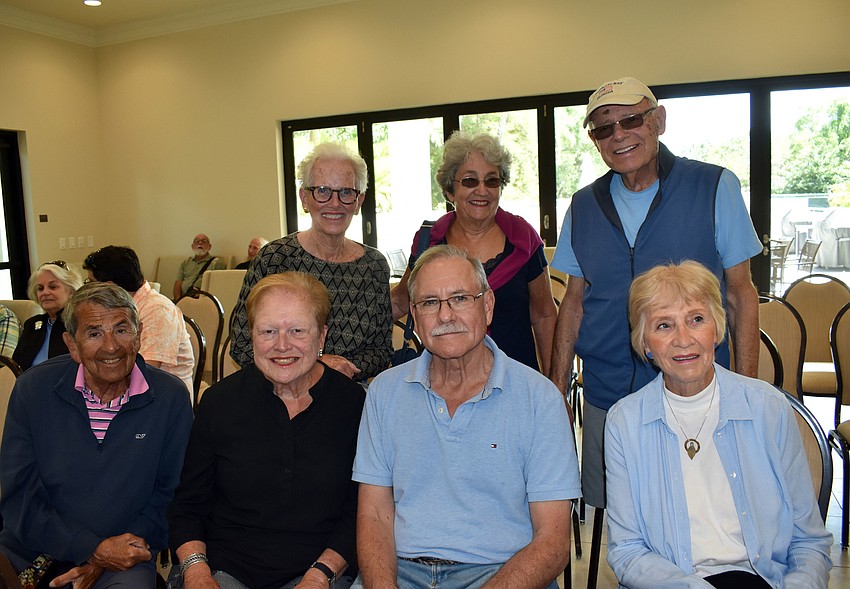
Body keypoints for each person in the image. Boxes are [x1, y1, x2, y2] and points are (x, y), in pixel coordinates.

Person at [549, 76, 762, 510]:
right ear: (595, 140)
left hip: (695, 393)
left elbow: (741, 294)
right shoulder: (583, 206)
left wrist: (744, 390)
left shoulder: (714, 187)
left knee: (698, 512)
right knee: (621, 514)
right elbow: (572, 303)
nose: (619, 135)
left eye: (630, 120)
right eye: (604, 128)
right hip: (607, 395)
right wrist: (557, 390)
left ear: (658, 121)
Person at [353, 245, 580, 589]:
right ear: (413, 313)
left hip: (503, 572)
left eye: (460, 298)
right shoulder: (384, 393)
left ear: (487, 305)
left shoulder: (539, 399)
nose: (445, 316)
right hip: (401, 572)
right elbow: (373, 517)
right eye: (430, 303)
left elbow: (553, 543)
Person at [605, 260, 832, 588]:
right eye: (664, 325)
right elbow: (627, 551)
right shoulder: (624, 424)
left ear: (717, 328)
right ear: (645, 344)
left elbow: (809, 543)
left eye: (696, 319)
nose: (684, 340)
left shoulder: (769, 409)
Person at [169, 272, 364, 589]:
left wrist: (320, 576)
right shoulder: (219, 403)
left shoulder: (353, 404)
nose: (282, 345)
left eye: (298, 331)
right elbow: (188, 506)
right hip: (224, 569)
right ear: (252, 336)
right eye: (268, 331)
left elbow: (360, 509)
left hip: (318, 569)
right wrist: (197, 572)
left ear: (322, 337)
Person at [0, 282, 193, 588]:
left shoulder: (170, 398)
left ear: (139, 334)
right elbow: (19, 496)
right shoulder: (33, 390)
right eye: (93, 333)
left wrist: (112, 555)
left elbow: (171, 495)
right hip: (31, 546)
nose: (111, 346)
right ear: (72, 345)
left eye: (121, 330)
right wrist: (91, 551)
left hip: (124, 554)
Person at [390, 131, 557, 373]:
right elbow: (402, 300)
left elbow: (544, 315)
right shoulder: (429, 240)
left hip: (515, 383)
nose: (482, 190)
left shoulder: (523, 239)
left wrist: (555, 386)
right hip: (446, 381)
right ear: (450, 191)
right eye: (470, 180)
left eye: (491, 181)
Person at [230, 143, 392, 381]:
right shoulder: (274, 258)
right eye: (323, 190)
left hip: (346, 395)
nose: (334, 203)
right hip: (277, 393)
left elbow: (381, 351)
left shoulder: (374, 265)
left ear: (359, 202)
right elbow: (242, 344)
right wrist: (316, 365)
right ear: (304, 198)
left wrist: (340, 369)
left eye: (346, 192)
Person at [84, 245, 195, 392]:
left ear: (109, 286)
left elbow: (146, 372)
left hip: (161, 398)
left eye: (90, 283)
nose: (88, 289)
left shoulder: (158, 310)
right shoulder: (119, 307)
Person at [12, 260, 84, 371]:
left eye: (53, 287)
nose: (45, 292)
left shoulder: (79, 322)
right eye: (40, 288)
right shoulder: (32, 325)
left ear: (71, 291)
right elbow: (15, 366)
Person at [173, 234, 227, 300]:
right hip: (183, 299)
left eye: (204, 241)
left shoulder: (217, 263)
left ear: (209, 247)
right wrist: (178, 301)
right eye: (197, 241)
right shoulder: (186, 262)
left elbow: (218, 287)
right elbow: (178, 284)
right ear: (192, 246)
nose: (200, 243)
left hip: (202, 300)